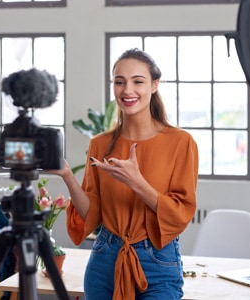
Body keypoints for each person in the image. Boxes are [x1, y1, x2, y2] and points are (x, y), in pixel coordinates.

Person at [49, 48, 198, 299]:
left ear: (154, 85)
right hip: (105, 259)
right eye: (119, 82)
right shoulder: (100, 143)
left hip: (158, 261)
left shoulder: (181, 142)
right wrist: (67, 176)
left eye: (137, 81)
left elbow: (180, 213)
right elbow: (91, 214)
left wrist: (137, 182)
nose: (127, 90)